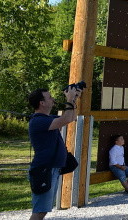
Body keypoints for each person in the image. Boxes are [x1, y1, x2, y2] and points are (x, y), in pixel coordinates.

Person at [27, 86, 82, 220]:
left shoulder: (47, 118)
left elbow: (72, 117)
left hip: (51, 169)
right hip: (43, 169)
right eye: (49, 97)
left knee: (43, 211)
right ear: (42, 103)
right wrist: (69, 99)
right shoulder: (38, 121)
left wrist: (74, 100)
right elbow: (66, 119)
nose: (53, 99)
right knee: (39, 211)